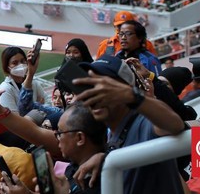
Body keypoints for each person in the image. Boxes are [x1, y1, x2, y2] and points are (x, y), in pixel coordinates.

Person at [72, 55, 186, 194]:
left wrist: (133, 96)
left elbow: (175, 124)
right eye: (89, 87)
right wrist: (106, 157)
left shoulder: (144, 122)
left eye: (104, 88)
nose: (94, 95)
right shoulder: (112, 134)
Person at [0, 102, 106, 194]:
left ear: (79, 138)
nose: (56, 136)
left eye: (60, 132)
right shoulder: (74, 167)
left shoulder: (98, 183)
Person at [0, 46, 47, 115]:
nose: (20, 65)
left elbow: (47, 101)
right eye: (15, 63)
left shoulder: (33, 82)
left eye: (22, 61)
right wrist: (39, 108)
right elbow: (15, 120)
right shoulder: (5, 89)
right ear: (7, 67)